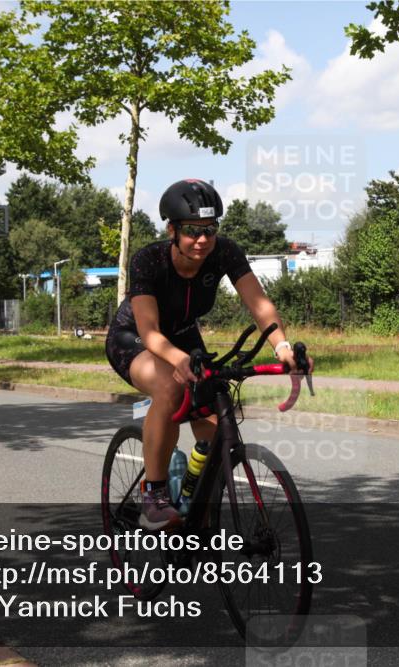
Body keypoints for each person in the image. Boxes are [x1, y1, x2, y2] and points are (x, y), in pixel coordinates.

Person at [105, 178, 306, 531]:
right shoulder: (148, 261)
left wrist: (283, 347)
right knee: (169, 387)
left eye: (209, 230)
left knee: (216, 418)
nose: (202, 240)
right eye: (191, 231)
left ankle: (190, 493)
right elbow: (150, 331)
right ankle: (153, 495)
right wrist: (178, 359)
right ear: (172, 230)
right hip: (134, 338)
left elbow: (259, 304)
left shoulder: (224, 252)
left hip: (184, 337)